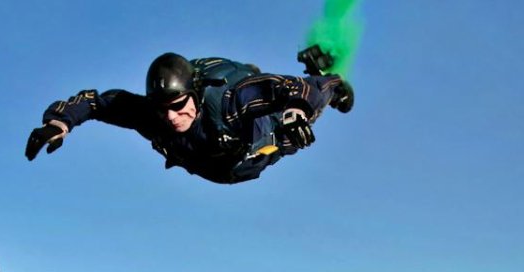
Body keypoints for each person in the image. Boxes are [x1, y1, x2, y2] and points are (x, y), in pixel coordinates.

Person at [25, 47, 354, 184]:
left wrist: (300, 110)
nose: (171, 117)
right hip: (211, 165)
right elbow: (96, 102)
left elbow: (290, 88)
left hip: (252, 146)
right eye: (162, 108)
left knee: (292, 130)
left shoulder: (230, 102)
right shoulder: (151, 115)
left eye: (179, 105)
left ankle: (335, 81)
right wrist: (59, 122)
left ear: (194, 95)